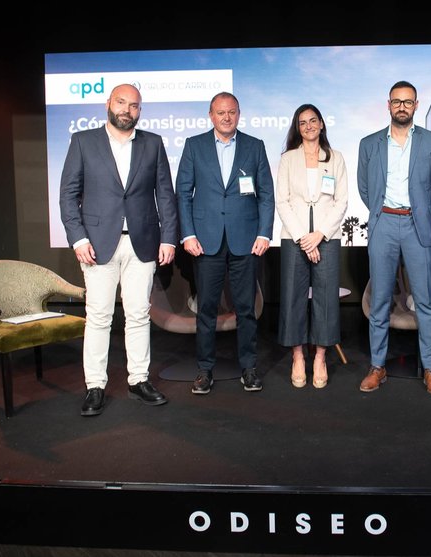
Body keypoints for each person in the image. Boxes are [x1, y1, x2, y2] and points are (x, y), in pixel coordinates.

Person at [59, 83, 178, 417]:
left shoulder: (153, 144)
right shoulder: (83, 141)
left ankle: (138, 380)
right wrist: (78, 238)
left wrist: (168, 238)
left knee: (139, 313)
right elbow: (68, 194)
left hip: (143, 241)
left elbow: (165, 195)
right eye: (122, 103)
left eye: (135, 105)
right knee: (99, 316)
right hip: (97, 244)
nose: (128, 109)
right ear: (108, 104)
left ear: (140, 110)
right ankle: (95, 386)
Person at [175, 92, 275, 394]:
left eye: (231, 112)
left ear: (239, 114)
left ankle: (248, 368)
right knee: (206, 308)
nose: (226, 117)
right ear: (211, 115)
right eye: (220, 112)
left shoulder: (255, 147)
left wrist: (264, 233)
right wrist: (188, 234)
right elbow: (183, 193)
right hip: (205, 241)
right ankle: (205, 370)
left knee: (246, 308)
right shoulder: (194, 146)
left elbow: (266, 194)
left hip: (245, 240)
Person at [357, 80, 431, 396]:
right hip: (384, 224)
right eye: (397, 101)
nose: (402, 106)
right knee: (380, 300)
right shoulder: (369, 144)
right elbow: (365, 188)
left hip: (416, 225)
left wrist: (421, 213)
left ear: (416, 105)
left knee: (426, 301)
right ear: (388, 105)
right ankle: (377, 366)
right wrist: (381, 213)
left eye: (407, 102)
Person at [275, 104, 348, 389]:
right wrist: (302, 238)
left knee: (326, 298)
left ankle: (319, 356)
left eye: (312, 120)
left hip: (326, 238)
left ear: (321, 124)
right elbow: (282, 201)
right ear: (297, 127)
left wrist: (319, 235)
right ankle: (297, 356)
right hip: (294, 238)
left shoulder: (336, 158)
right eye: (302, 122)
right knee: (293, 296)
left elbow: (341, 201)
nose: (308, 126)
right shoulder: (288, 159)